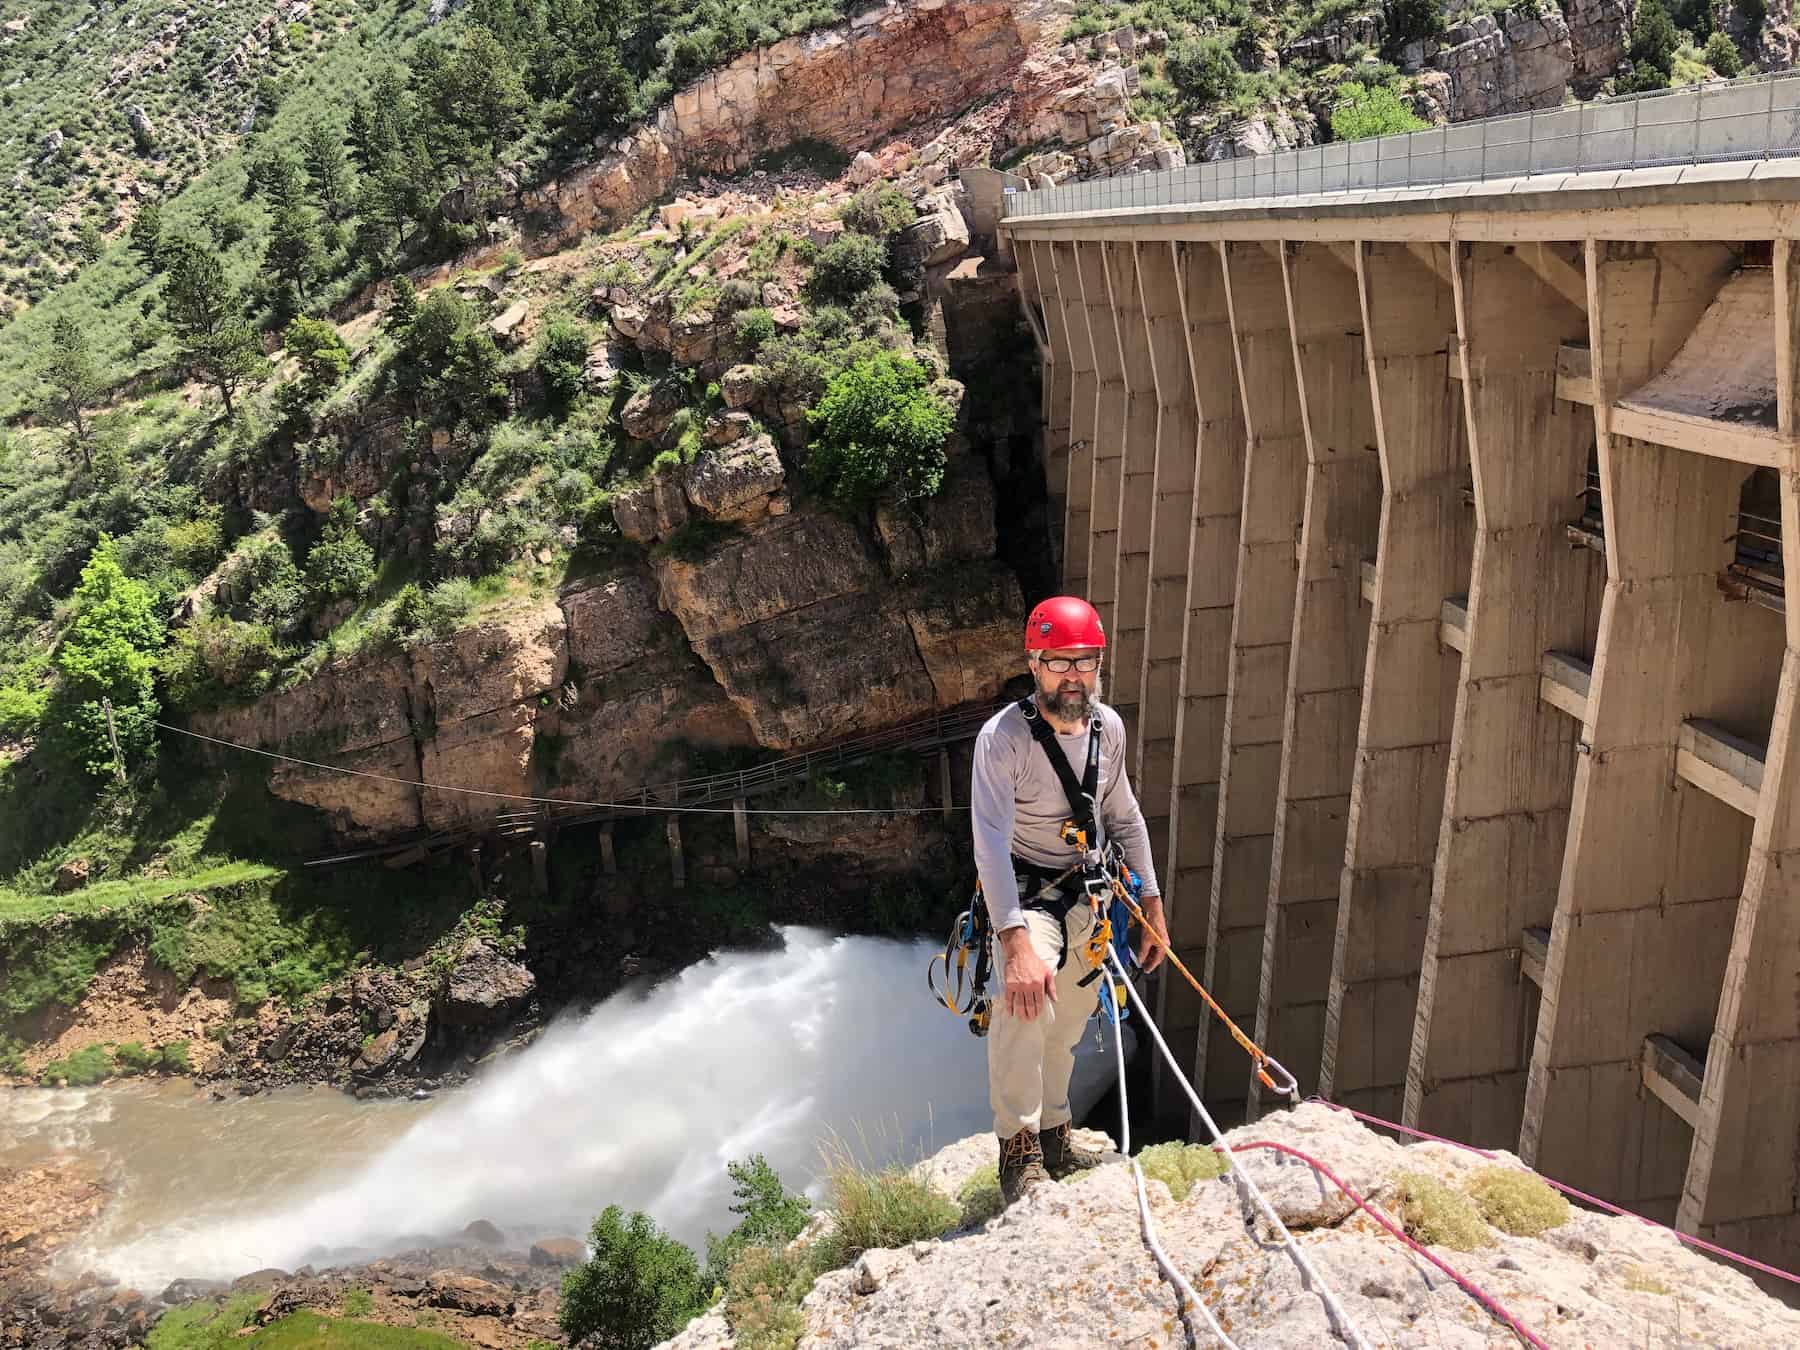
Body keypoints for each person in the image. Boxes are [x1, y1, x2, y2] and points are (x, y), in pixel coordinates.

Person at [969, 595, 1169, 1204]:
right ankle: (1018, 1151)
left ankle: (1056, 1133)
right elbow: (990, 845)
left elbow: (1124, 814)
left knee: (1072, 1022)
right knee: (1025, 1003)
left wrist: (1153, 906)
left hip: (1092, 892)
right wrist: (1015, 943)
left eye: (1085, 662)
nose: (1073, 675)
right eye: (1059, 662)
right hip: (1029, 893)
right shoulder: (1003, 740)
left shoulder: (1109, 729)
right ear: (1034, 663)